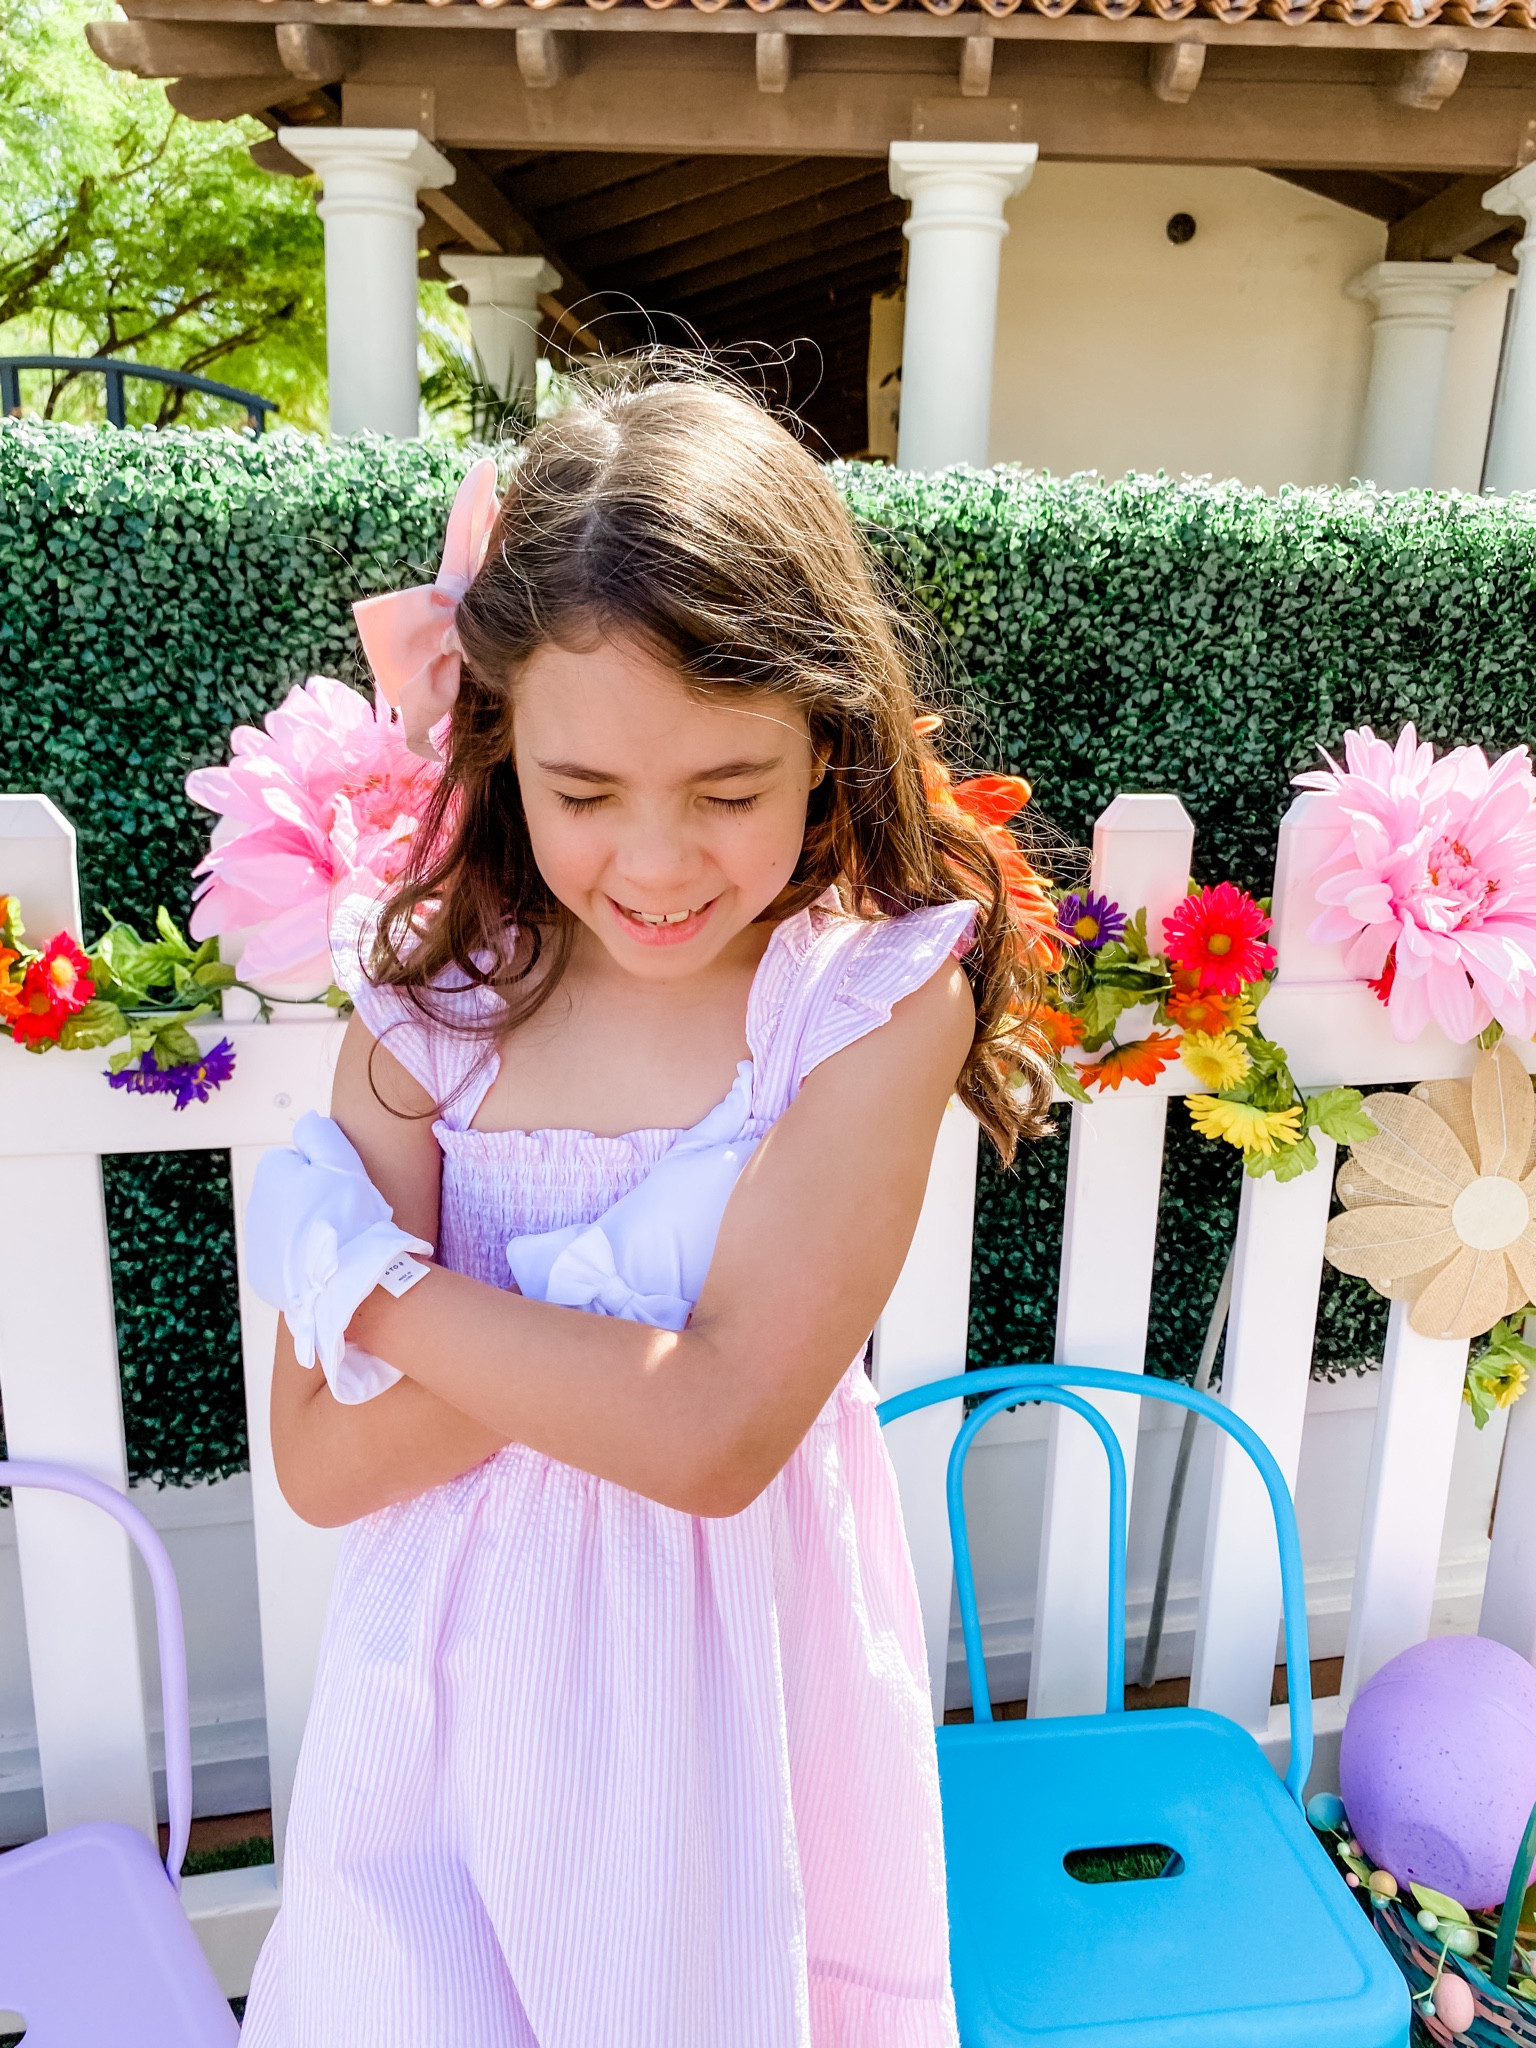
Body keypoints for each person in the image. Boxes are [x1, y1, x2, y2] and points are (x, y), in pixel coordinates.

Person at [238, 370, 1052, 2048]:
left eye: (729, 789)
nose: (659, 863)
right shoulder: (434, 1014)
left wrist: (377, 1291)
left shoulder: (864, 1008)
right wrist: (599, 1343)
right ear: (495, 738)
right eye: (586, 792)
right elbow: (318, 1465)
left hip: (727, 1714)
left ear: (827, 737)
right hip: (443, 1713)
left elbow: (713, 1436)